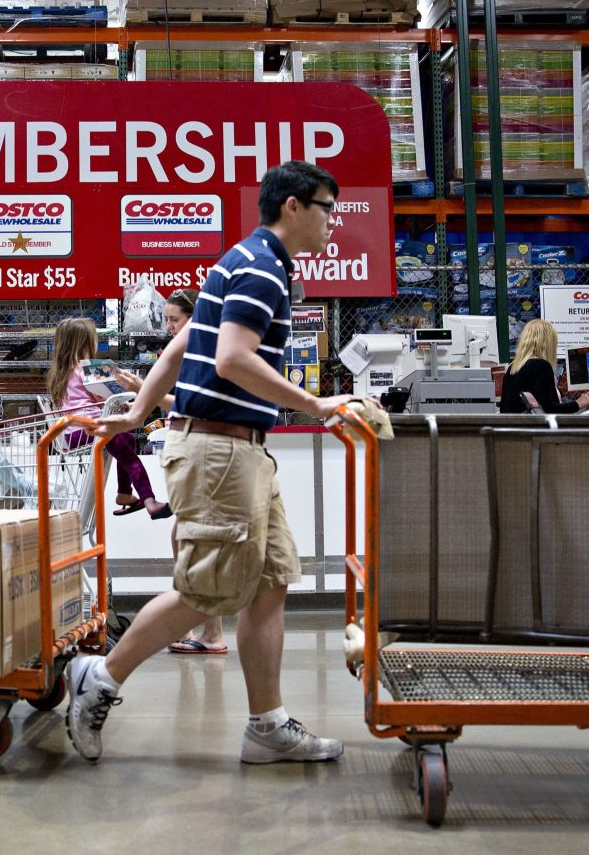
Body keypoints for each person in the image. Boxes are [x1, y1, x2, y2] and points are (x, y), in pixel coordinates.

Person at [65, 160, 358, 765]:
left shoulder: (243, 260)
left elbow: (181, 345)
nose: (334, 220)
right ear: (294, 207)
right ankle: (101, 675)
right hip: (222, 450)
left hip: (242, 449)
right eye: (327, 207)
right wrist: (314, 403)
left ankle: (267, 725)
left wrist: (138, 410)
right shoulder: (262, 271)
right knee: (209, 590)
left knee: (272, 580)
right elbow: (229, 358)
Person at [115, 289, 226, 655]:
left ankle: (210, 634)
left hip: (205, 454)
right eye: (166, 319)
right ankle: (205, 630)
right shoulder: (192, 351)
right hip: (197, 454)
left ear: (193, 317)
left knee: (191, 542)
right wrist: (144, 392)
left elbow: (188, 406)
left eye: (174, 319)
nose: (168, 326)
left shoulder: (203, 351)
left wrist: (144, 392)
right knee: (186, 540)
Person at [49, 316, 171, 520]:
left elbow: (86, 400)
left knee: (128, 441)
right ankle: (149, 500)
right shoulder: (88, 368)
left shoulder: (62, 371)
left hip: (74, 432)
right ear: (86, 342)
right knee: (128, 452)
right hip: (91, 427)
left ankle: (124, 493)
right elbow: (103, 395)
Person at [499, 319, 589, 414]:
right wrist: (578, 403)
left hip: (515, 428)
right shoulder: (541, 366)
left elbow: (504, 409)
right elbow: (548, 409)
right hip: (536, 430)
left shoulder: (512, 368)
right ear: (548, 344)